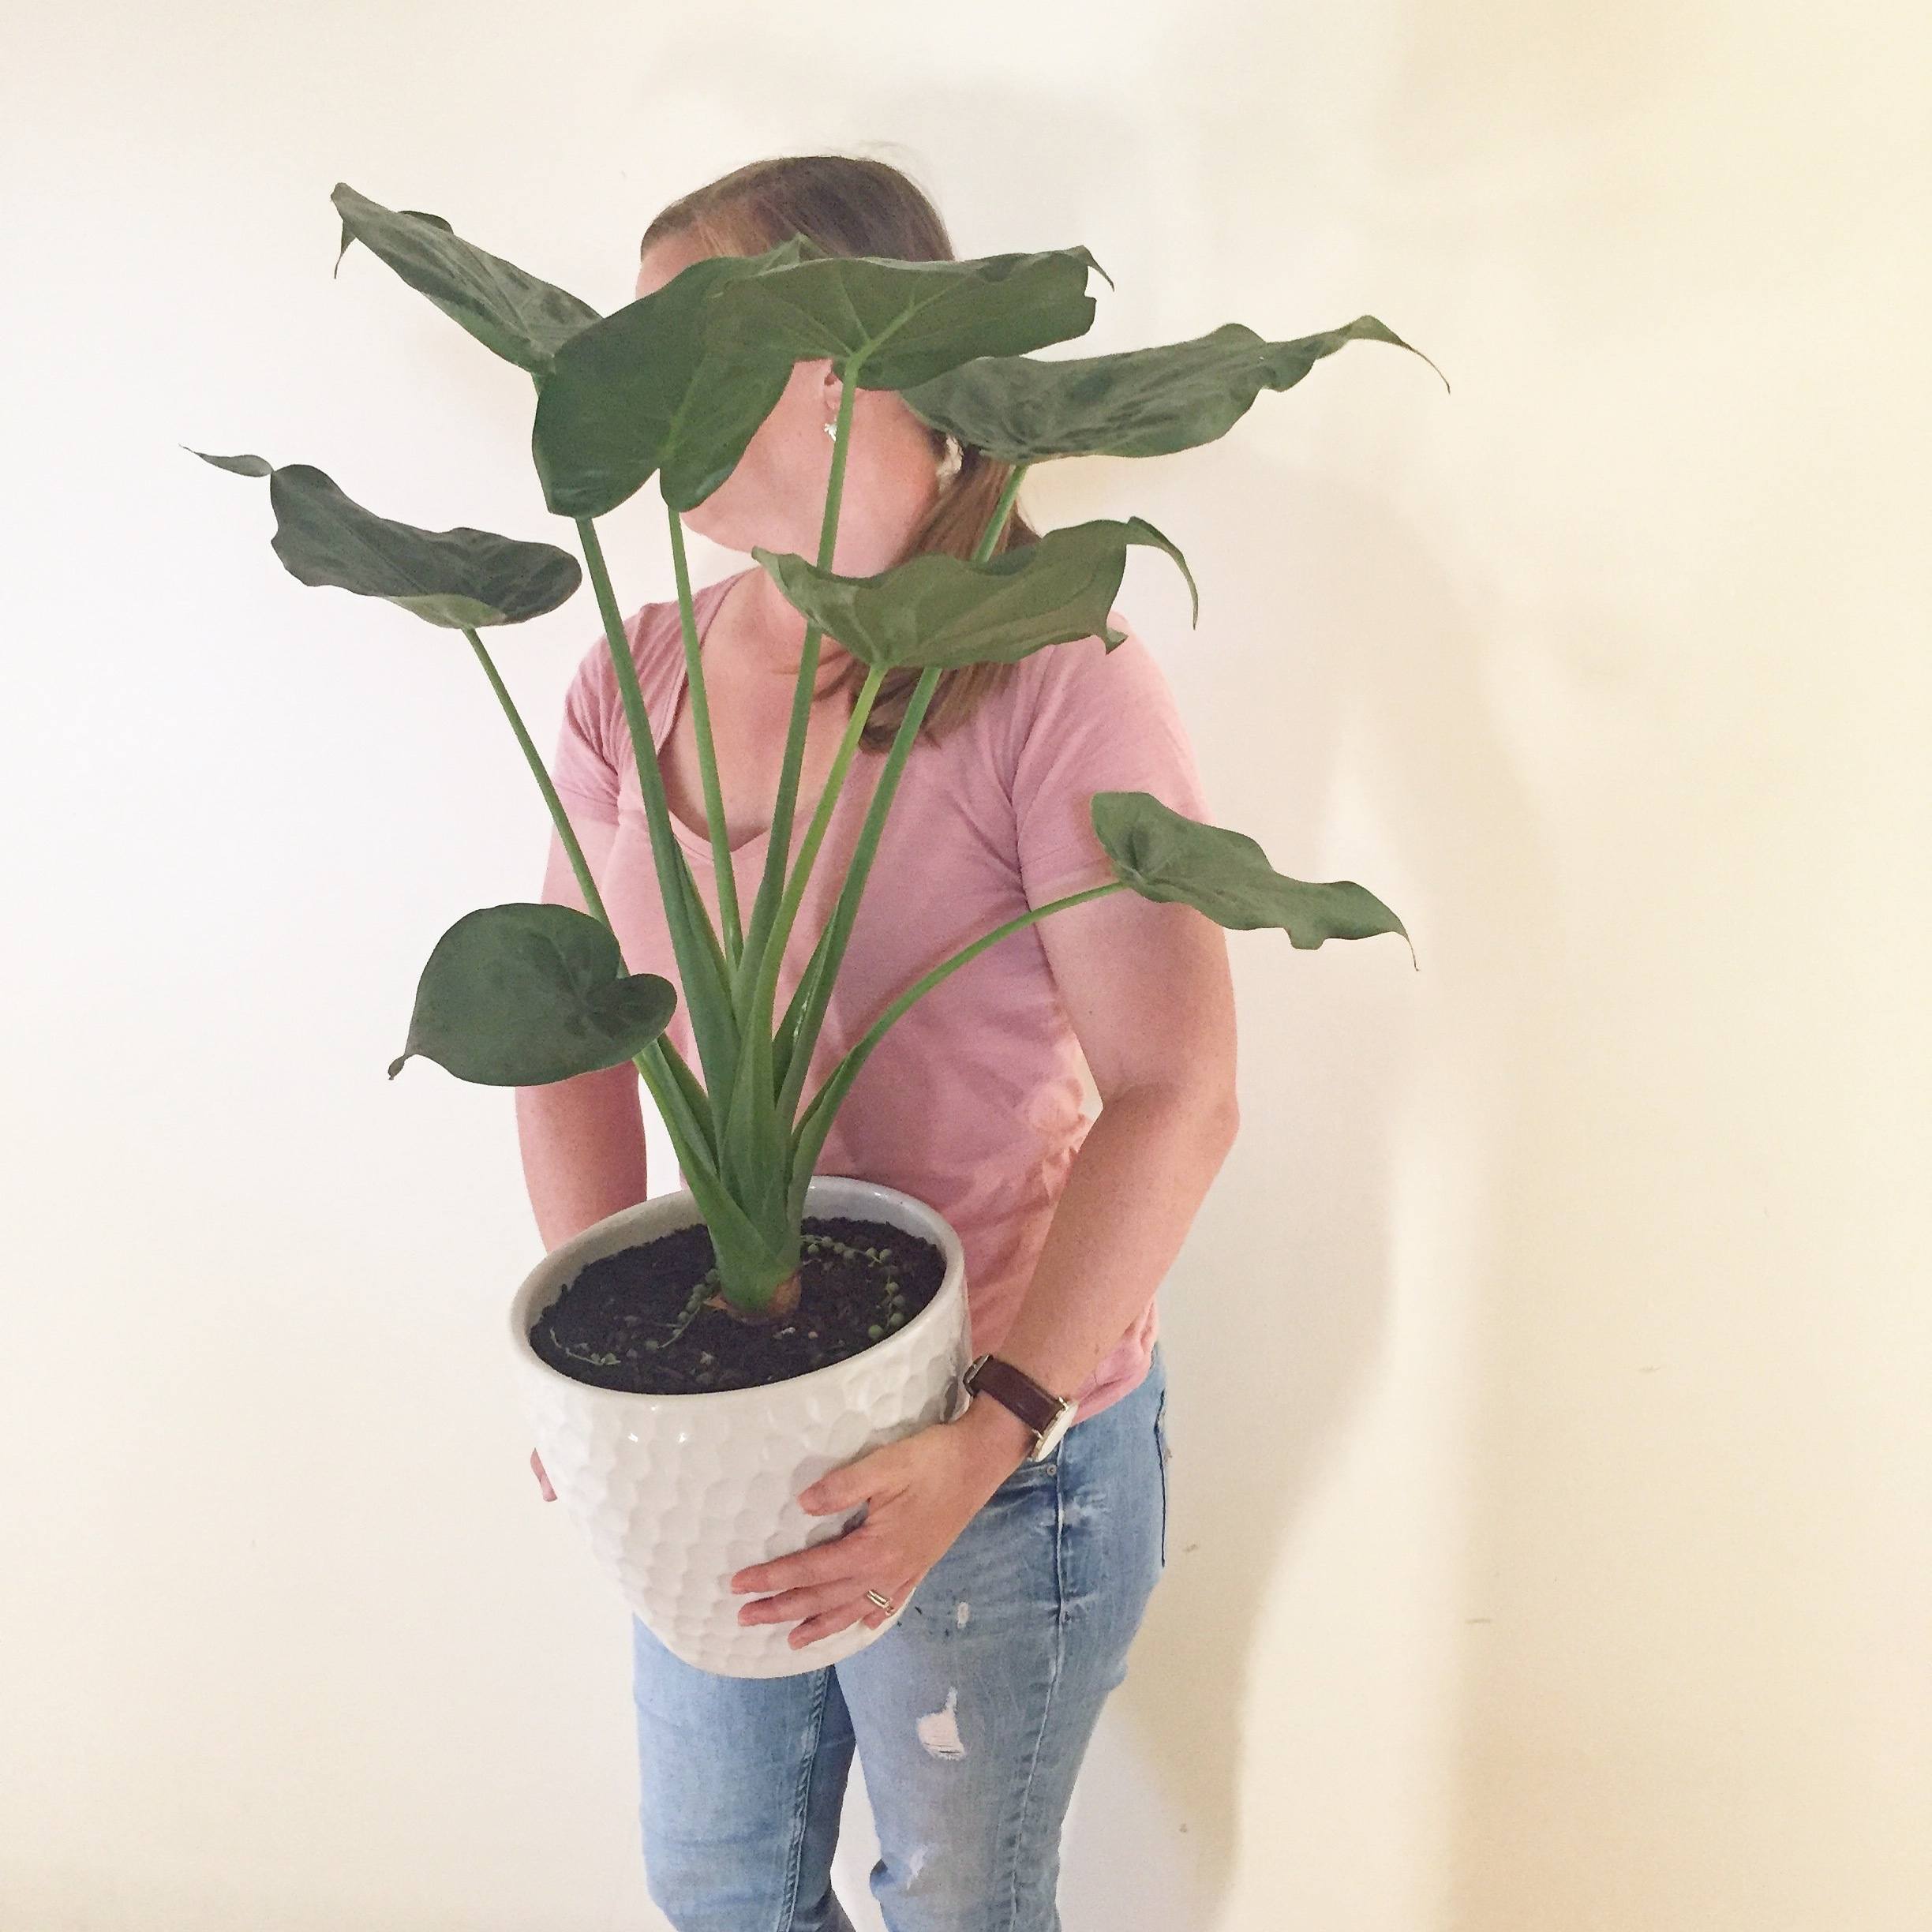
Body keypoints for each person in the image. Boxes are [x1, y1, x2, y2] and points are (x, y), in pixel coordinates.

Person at [515, 152, 1239, 1932]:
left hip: (996, 1437)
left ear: (860, 355)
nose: (643, 385)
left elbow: (1179, 1092)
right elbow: (564, 1028)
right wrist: (593, 1373)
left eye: (695, 335)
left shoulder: (1045, 663)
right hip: (720, 1399)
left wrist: (986, 1434)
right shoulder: (638, 670)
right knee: (722, 1885)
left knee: (958, 1908)